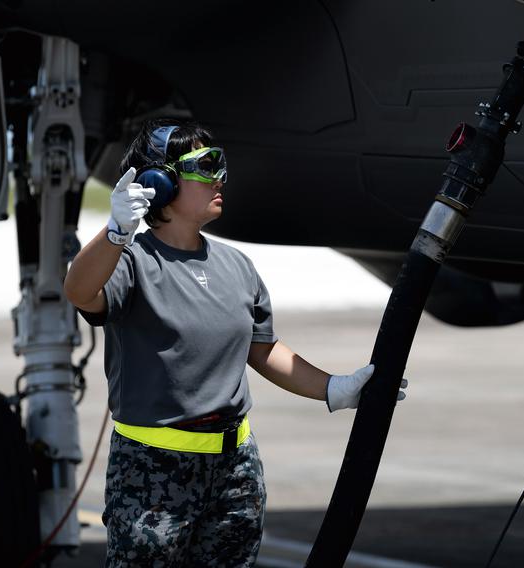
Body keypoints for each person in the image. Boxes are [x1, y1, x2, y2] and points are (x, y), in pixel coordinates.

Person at [63, 119, 405, 567]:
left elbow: (263, 351)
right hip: (151, 472)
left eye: (219, 164)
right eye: (206, 166)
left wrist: (334, 388)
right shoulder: (130, 261)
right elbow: (80, 292)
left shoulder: (237, 266)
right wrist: (113, 233)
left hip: (235, 471)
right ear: (159, 182)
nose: (219, 177)